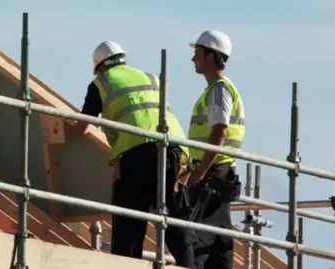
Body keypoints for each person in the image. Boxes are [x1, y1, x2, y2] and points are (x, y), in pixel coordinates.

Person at [73, 40, 191, 264]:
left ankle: (126, 265)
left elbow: (82, 125)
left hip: (137, 155)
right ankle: (190, 265)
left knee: (129, 225)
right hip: (173, 151)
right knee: (175, 221)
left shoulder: (102, 83)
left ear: (100, 68)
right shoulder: (150, 78)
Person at [185, 29, 246, 269]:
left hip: (212, 172)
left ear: (211, 56)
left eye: (197, 53)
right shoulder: (218, 89)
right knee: (219, 237)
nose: (193, 59)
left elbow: (219, 131)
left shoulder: (219, 89)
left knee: (198, 238)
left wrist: (199, 172)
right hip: (219, 170)